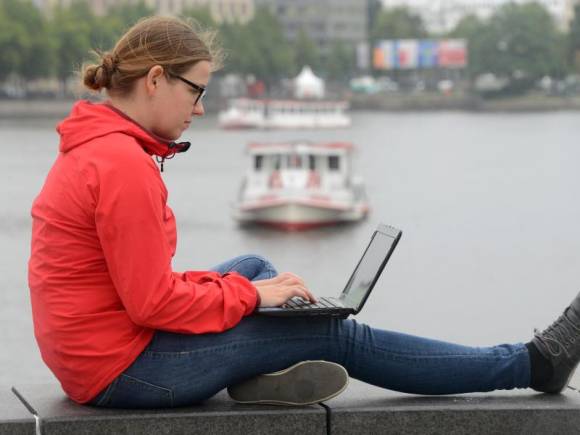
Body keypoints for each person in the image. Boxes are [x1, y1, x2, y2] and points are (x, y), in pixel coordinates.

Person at [28, 16, 580, 409]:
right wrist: (252, 297)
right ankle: (530, 363)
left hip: (96, 356)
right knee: (332, 336)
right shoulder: (122, 164)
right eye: (196, 90)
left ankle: (261, 365)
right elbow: (151, 302)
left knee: (251, 263)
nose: (200, 107)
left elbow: (138, 291)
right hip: (126, 373)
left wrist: (250, 288)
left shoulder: (97, 146)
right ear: (155, 80)